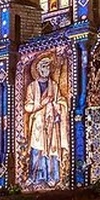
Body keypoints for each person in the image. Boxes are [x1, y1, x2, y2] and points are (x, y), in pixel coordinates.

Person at [24, 55, 69, 188]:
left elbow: (61, 101)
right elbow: (27, 106)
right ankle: (34, 177)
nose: (47, 69)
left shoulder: (54, 86)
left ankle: (53, 177)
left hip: (51, 122)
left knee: (52, 150)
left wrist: (58, 106)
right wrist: (41, 104)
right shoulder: (32, 87)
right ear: (38, 69)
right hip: (38, 124)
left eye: (48, 66)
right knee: (36, 150)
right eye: (44, 66)